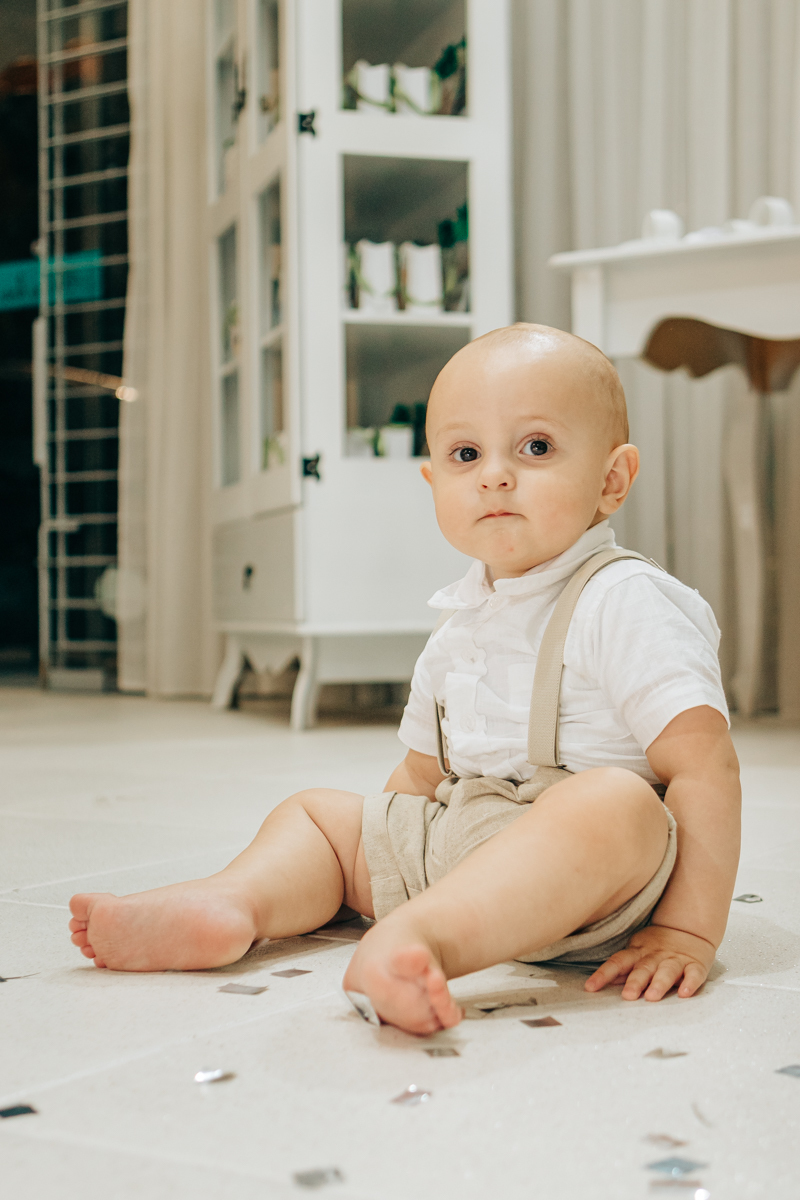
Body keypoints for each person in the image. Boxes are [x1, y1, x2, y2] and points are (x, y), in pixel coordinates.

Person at [68, 324, 741, 1036]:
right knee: (319, 815)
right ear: (434, 483)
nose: (494, 475)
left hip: (595, 888)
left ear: (611, 480)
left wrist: (687, 931)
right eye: (465, 454)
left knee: (617, 803)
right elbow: (421, 778)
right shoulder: (460, 620)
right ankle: (235, 902)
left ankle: (423, 939)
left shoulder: (627, 600)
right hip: (463, 842)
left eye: (536, 447)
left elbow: (705, 767)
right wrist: (378, 857)